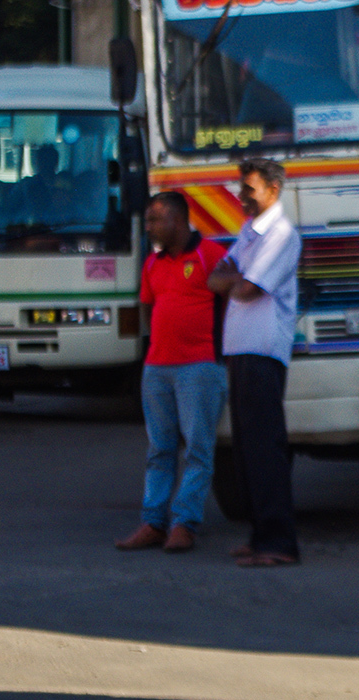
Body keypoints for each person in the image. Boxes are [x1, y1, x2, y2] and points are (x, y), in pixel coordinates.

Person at [117, 193, 229, 553]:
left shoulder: (210, 255)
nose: (148, 227)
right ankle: (153, 523)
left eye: (154, 220)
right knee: (159, 450)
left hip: (199, 367)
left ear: (178, 221)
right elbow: (150, 311)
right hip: (157, 368)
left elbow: (232, 304)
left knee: (198, 450)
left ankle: (184, 524)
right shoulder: (152, 263)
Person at [208, 158, 301, 567]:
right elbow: (215, 278)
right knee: (246, 451)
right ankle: (259, 534)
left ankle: (278, 544)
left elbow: (245, 289)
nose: (241, 196)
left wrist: (233, 279)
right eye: (241, 188)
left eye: (249, 188)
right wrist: (232, 279)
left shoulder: (281, 235)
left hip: (264, 352)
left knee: (265, 450)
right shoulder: (249, 232)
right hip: (241, 351)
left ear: (273, 190)